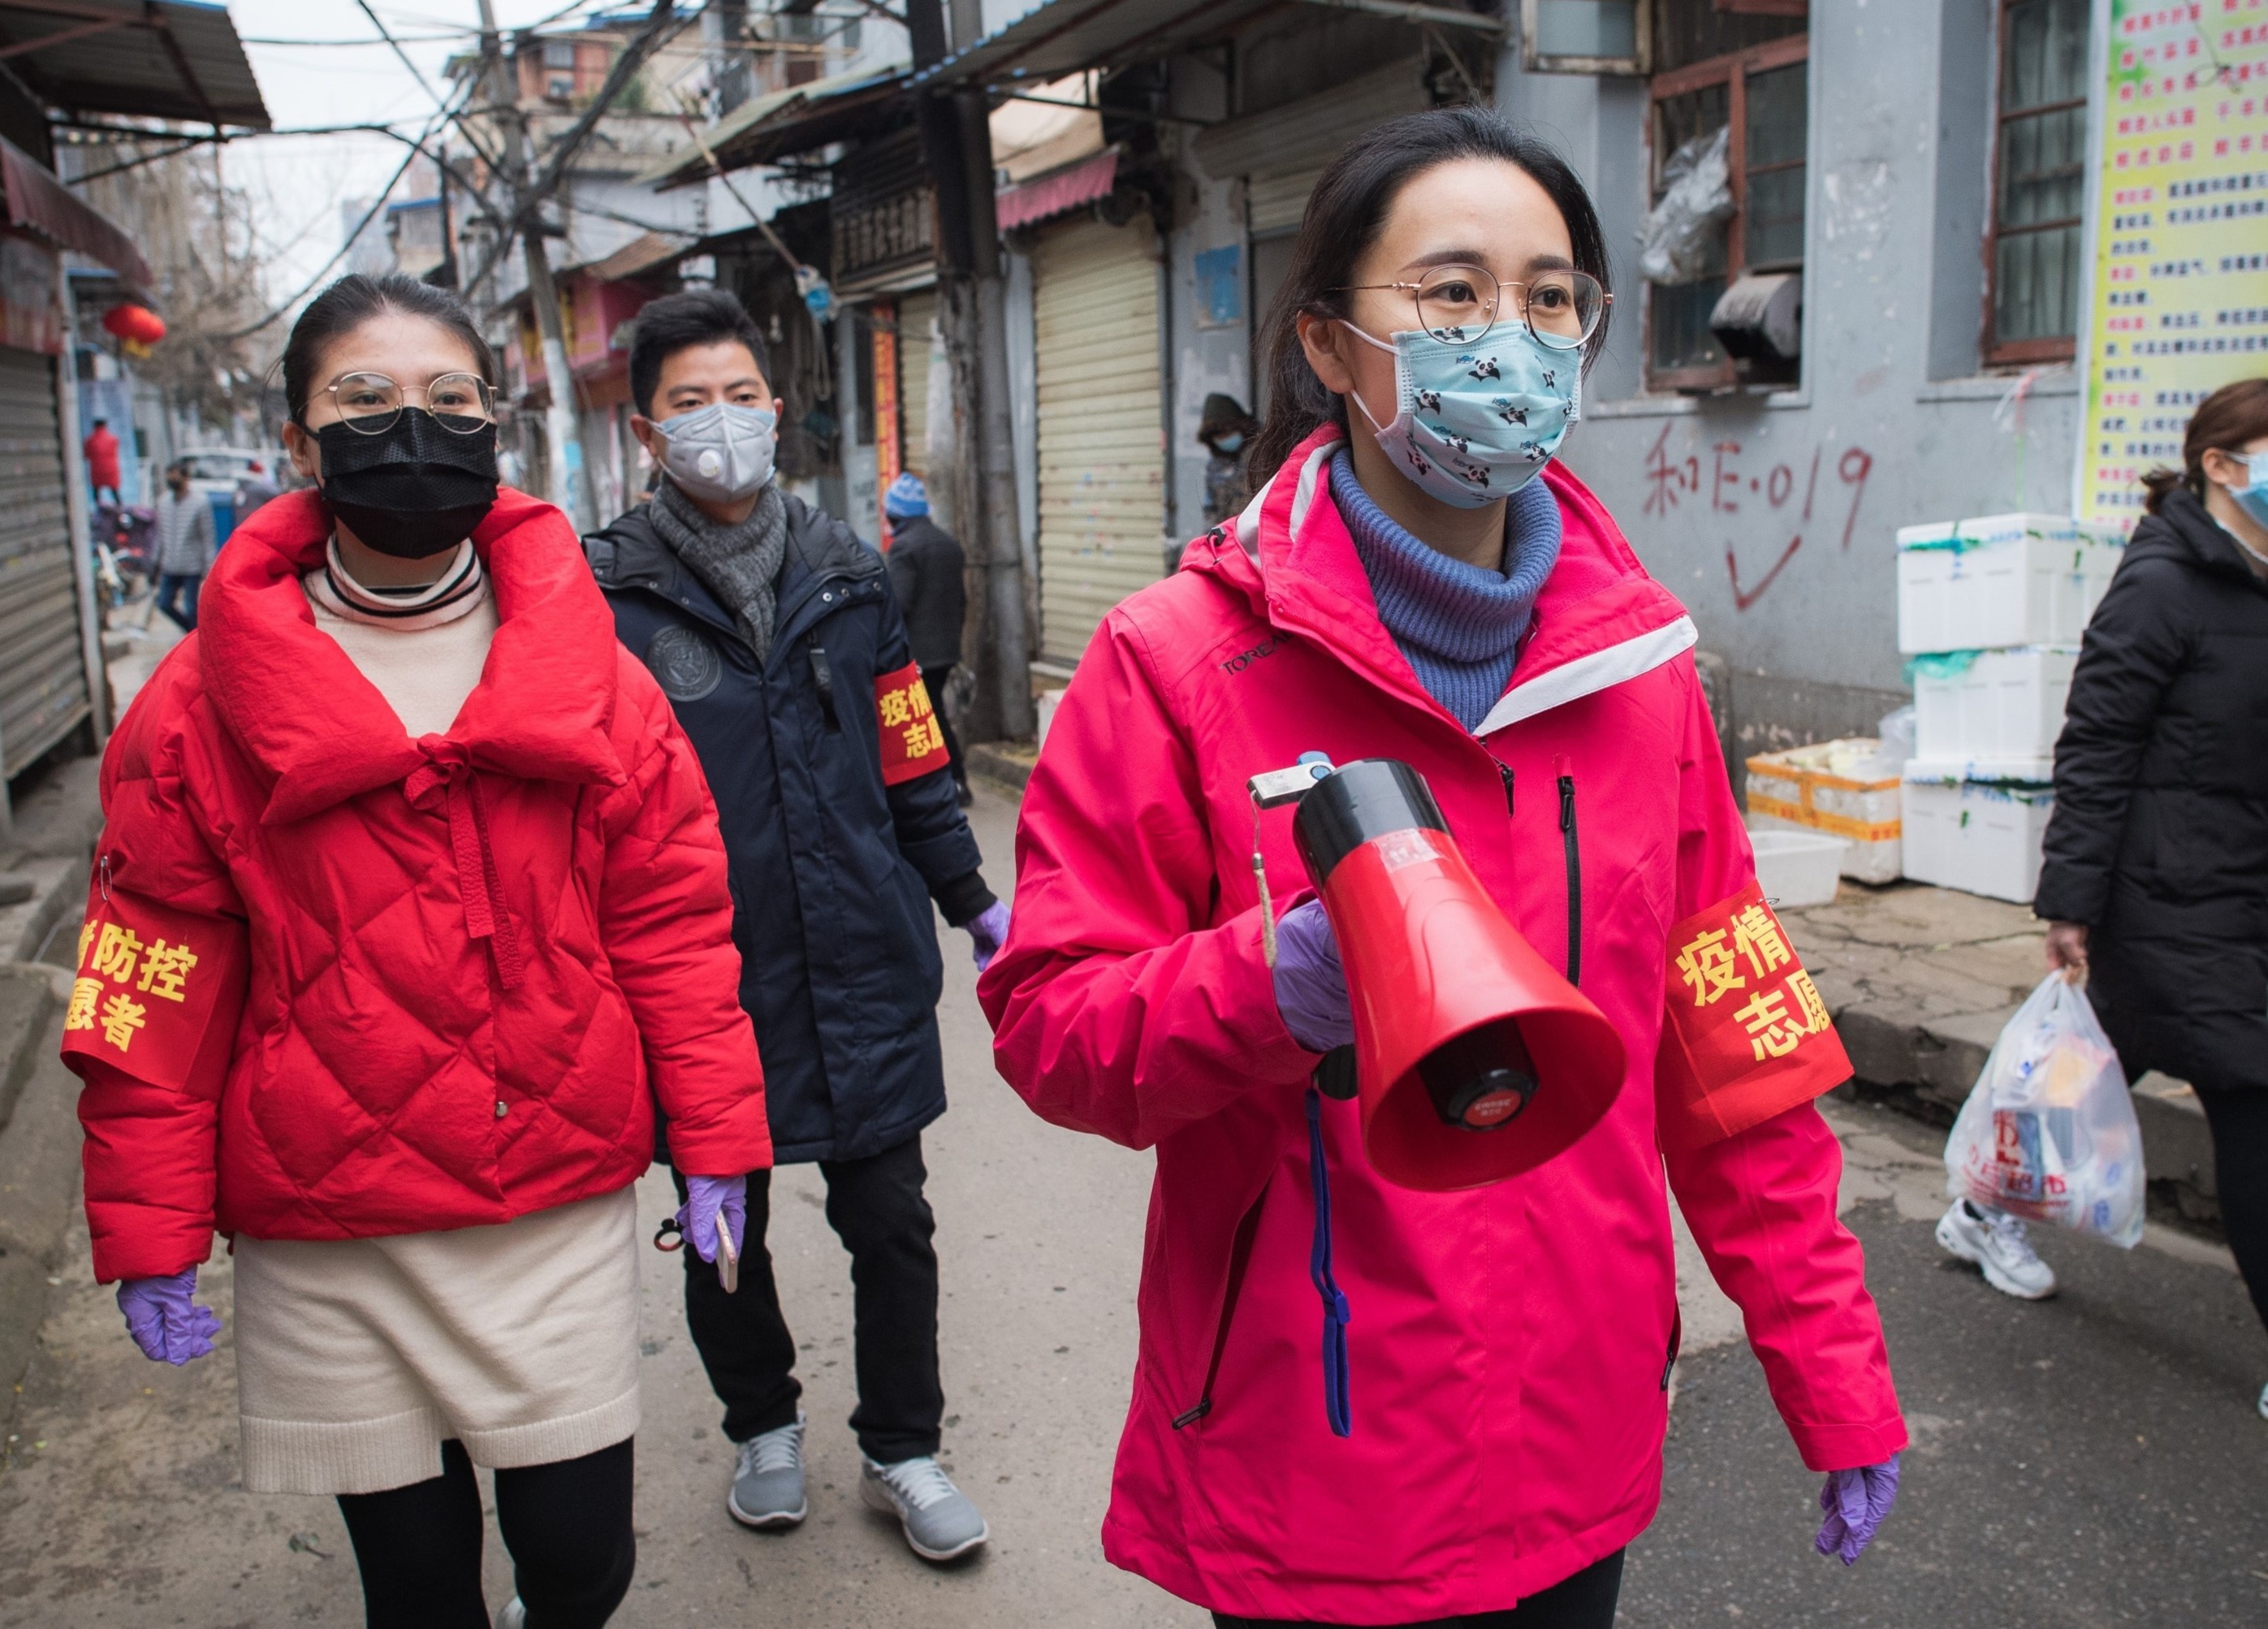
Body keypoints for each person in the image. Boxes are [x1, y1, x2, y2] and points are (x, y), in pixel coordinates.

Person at [978, 109, 1906, 1627]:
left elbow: (1736, 1056)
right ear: (1332, 346)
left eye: (1550, 300)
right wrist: (1272, 984)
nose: (1509, 339)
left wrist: (1831, 1369)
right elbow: (1050, 1028)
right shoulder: (1176, 664)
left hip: (1576, 1436)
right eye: (1451, 292)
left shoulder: (1644, 681)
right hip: (1310, 1444)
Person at [62, 271, 771, 1629]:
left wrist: (722, 1135)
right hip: (330, 1230)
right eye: (364, 400)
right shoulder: (196, 706)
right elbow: (147, 972)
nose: (412, 429)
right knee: (418, 1591)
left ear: (493, 428)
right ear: (297, 442)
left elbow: (672, 924)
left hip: (549, 1198)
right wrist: (145, 1221)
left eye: (450, 401)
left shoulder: (590, 671)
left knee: (582, 1565)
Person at [586, 290, 1009, 1565]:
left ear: (777, 409)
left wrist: (973, 899)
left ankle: (903, 1444)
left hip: (865, 962)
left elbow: (914, 757)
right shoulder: (605, 598)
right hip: (705, 982)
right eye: (688, 403)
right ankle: (761, 1424)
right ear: (648, 433)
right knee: (727, 1230)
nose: (722, 423)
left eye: (739, 395)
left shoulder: (850, 574)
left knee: (892, 1220)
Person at [2032, 375, 2268, 1416]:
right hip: (2171, 895)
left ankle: (1983, 1201)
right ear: (2223, 466)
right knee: (2253, 1097)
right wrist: (2069, 900)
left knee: (2100, 1057)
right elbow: (2096, 743)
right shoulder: (2160, 583)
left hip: (2242, 890)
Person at [882, 470, 971, 806]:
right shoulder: (947, 543)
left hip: (919, 652)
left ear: (896, 514)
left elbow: (898, 603)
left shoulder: (904, 548)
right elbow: (961, 601)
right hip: (946, 649)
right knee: (932, 715)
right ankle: (949, 781)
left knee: (927, 719)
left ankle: (954, 781)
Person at [153, 460, 215, 632]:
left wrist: (209, 568)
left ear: (186, 478)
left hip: (192, 566)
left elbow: (207, 537)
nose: (173, 480)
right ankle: (193, 633)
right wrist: (155, 562)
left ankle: (196, 639)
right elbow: (160, 535)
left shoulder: (200, 502)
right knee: (164, 604)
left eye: (176, 476)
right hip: (170, 565)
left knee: (192, 608)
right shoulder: (163, 503)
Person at [1198, 391, 1259, 529]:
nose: (1224, 439)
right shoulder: (1215, 466)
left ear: (1242, 427)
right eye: (1218, 436)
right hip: (1227, 539)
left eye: (1227, 432)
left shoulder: (1262, 456)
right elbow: (1211, 508)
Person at [233, 456, 279, 531]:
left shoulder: (240, 487)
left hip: (241, 526)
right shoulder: (257, 487)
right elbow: (277, 493)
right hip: (256, 525)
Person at [84, 416, 123, 506]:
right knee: (115, 492)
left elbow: (87, 455)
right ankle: (121, 512)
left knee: (96, 492)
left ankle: (99, 511)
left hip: (97, 470)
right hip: (111, 470)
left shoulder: (90, 440)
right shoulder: (113, 439)